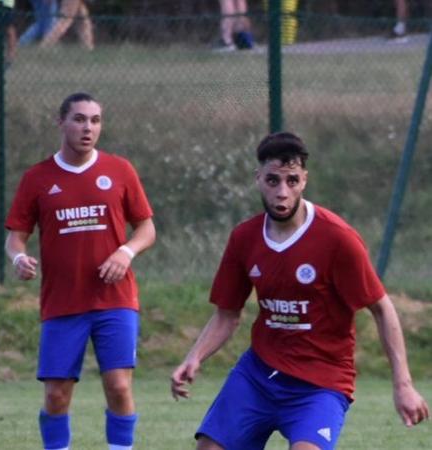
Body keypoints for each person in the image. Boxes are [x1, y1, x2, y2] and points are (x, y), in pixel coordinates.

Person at [171, 132, 429, 450]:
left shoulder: (337, 238)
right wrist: (194, 357)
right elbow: (227, 313)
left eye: (292, 180)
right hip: (259, 375)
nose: (282, 192)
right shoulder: (244, 238)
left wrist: (403, 384)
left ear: (304, 180)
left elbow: (381, 307)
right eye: (273, 180)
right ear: (258, 179)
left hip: (320, 383)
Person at [5, 92, 156, 450]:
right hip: (62, 302)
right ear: (61, 123)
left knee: (119, 386)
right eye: (79, 119)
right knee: (57, 395)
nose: (87, 128)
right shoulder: (38, 178)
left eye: (95, 120)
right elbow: (16, 238)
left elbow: (147, 230)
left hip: (114, 299)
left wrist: (125, 251)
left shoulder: (119, 170)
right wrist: (18, 259)